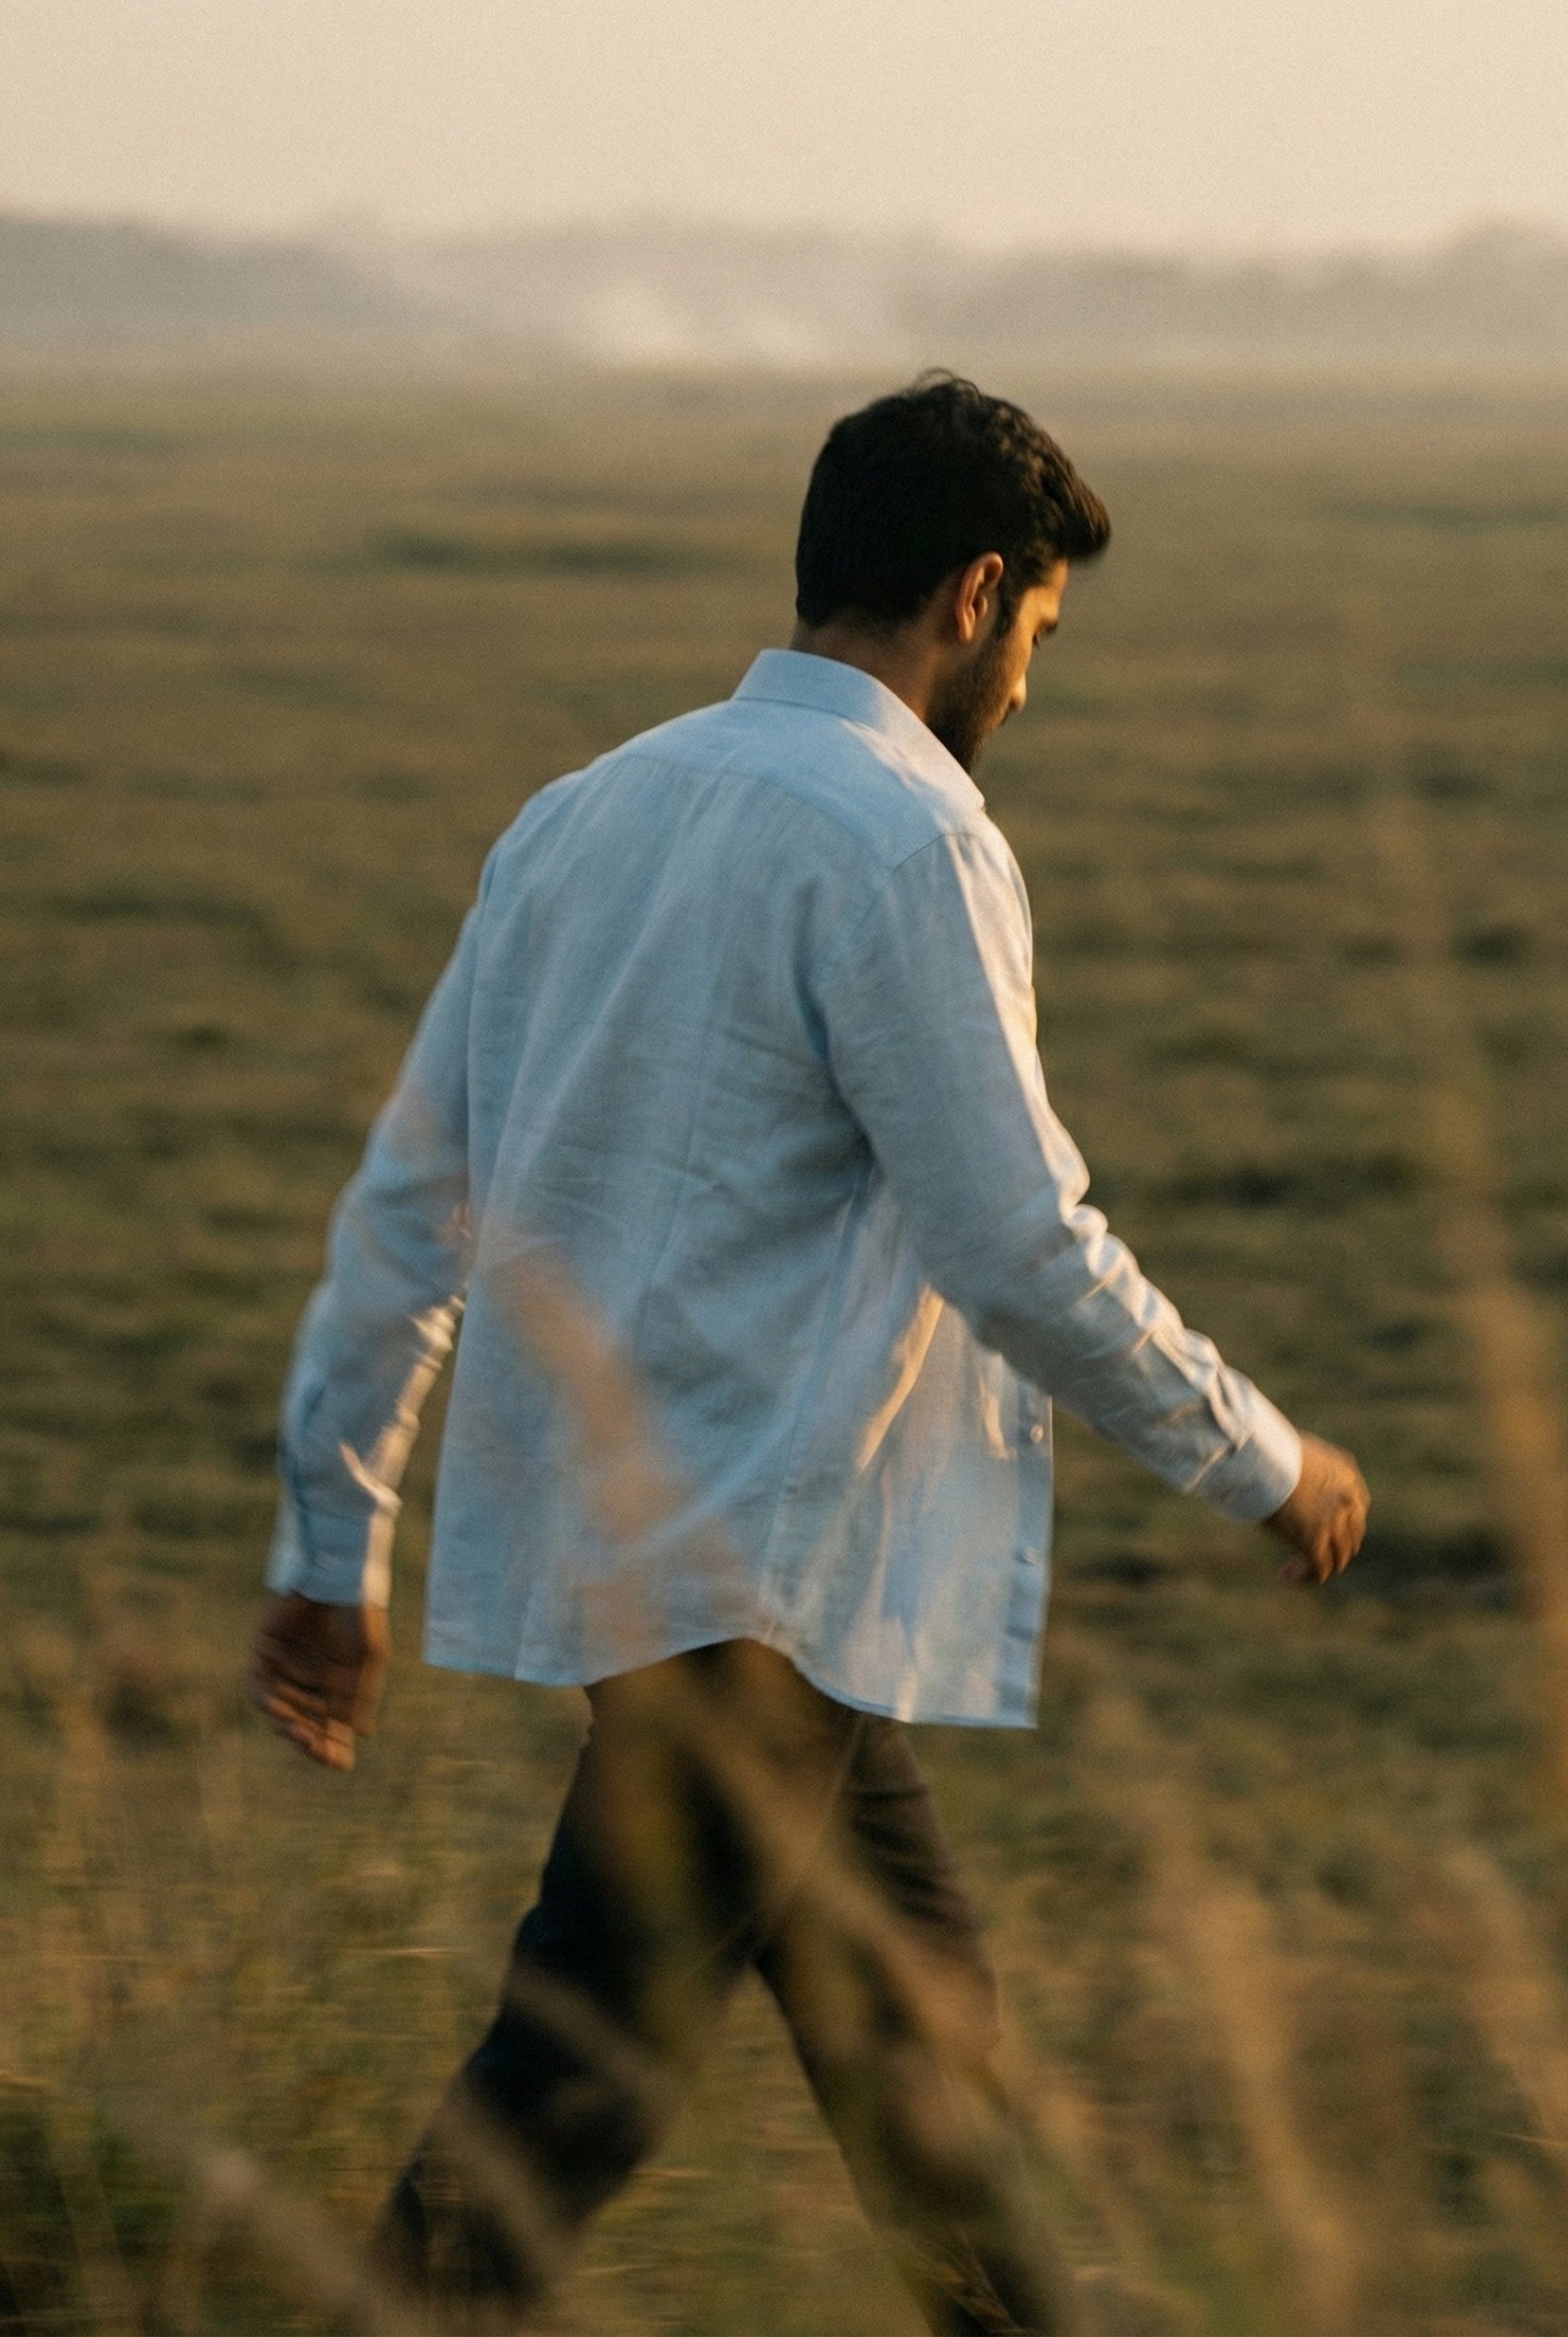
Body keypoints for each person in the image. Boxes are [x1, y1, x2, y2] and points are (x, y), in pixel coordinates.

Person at [251, 374, 1368, 2335]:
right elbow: (1012, 1237)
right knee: (560, 2102)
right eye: (1033, 636)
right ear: (970, 590)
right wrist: (1258, 1457)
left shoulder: (577, 813)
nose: (1026, 687)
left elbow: (405, 1207)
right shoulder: (905, 841)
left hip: (685, 1585)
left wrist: (330, 1548)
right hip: (755, 1571)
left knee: (923, 2065)